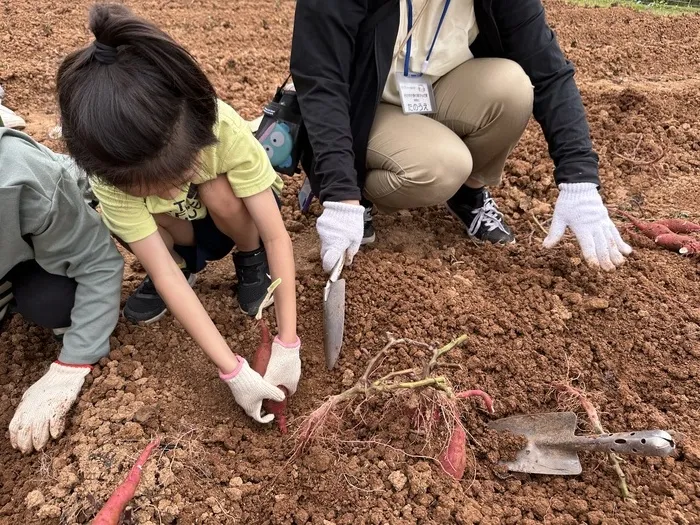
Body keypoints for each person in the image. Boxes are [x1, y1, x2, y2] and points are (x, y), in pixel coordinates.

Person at [55, 3, 300, 424]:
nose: (170, 190)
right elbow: (162, 273)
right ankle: (188, 262)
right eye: (151, 187)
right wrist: (234, 371)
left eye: (179, 173)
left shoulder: (220, 130)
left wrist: (288, 341)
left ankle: (247, 258)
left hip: (235, 217)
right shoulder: (109, 175)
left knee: (217, 188)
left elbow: (278, 234)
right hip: (182, 231)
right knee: (146, 236)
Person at [290, 0, 632, 274]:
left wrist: (580, 181)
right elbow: (321, 78)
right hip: (361, 105)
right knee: (441, 166)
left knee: (512, 87)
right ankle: (361, 196)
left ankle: (468, 196)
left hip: (433, 88)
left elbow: (550, 73)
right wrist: (340, 193)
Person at [0, 127, 124, 454]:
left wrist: (71, 366)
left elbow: (97, 263)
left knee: (54, 301)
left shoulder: (20, 179)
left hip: (48, 230)